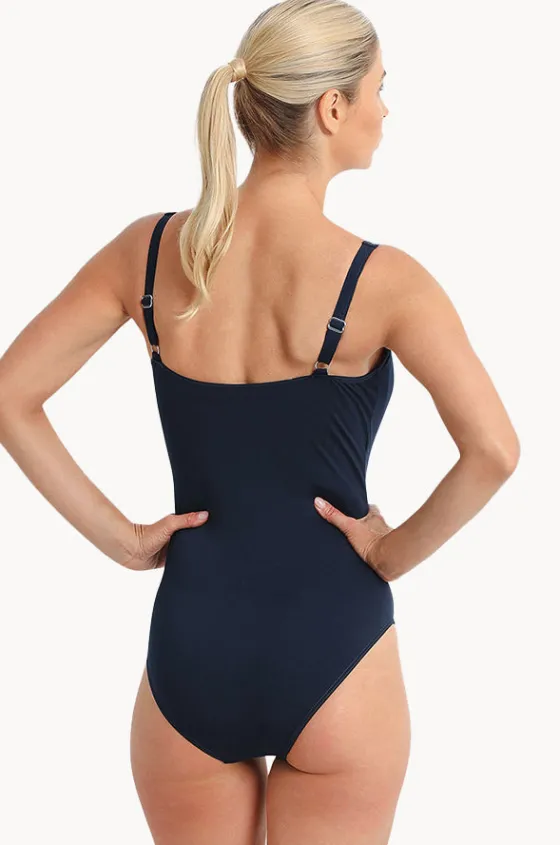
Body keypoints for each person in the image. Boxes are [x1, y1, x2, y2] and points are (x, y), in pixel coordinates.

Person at [0, 1, 520, 843]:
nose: (387, 108)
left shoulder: (149, 253)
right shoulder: (386, 282)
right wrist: (390, 552)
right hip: (337, 650)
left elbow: (10, 394)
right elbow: (493, 449)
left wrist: (124, 540)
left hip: (191, 648)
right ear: (332, 108)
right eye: (380, 88)